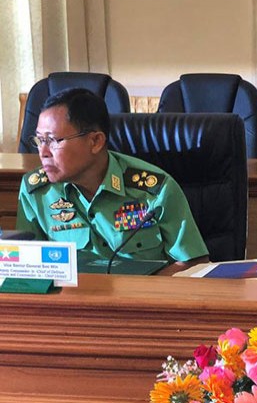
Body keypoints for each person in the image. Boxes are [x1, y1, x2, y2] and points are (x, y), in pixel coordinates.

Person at [16, 88, 209, 271]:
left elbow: (193, 263)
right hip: (70, 302)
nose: (43, 152)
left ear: (95, 141)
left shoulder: (154, 191)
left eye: (53, 140)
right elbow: (27, 266)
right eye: (40, 140)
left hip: (140, 301)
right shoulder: (37, 192)